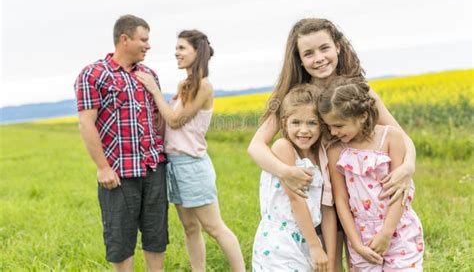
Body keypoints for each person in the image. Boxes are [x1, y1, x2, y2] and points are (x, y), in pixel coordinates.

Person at [247, 18, 418, 270]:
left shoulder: (359, 92)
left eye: (324, 48)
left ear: (337, 46)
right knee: (330, 265)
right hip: (320, 196)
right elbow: (256, 146)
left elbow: (400, 136)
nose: (318, 58)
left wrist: (408, 168)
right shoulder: (295, 97)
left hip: (360, 196)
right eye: (308, 53)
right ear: (299, 59)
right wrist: (286, 172)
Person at [136, 29, 245, 272]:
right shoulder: (183, 85)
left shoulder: (204, 86)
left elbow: (175, 121)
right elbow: (168, 125)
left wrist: (154, 90)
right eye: (176, 48)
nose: (176, 53)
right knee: (190, 227)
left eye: (182, 48)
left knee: (214, 227)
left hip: (192, 165)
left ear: (198, 52)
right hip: (174, 165)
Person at [75, 14, 168, 271]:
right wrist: (102, 167)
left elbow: (159, 118)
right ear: (124, 39)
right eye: (144, 40)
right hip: (118, 173)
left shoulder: (149, 75)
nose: (148, 46)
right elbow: (86, 123)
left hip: (153, 168)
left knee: (156, 236)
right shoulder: (93, 74)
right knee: (120, 240)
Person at [321, 78, 424, 271]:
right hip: (361, 233)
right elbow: (341, 200)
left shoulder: (390, 137)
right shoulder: (336, 151)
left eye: (339, 125)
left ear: (361, 115)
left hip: (397, 229)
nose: (333, 132)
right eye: (329, 127)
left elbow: (400, 190)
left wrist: (387, 232)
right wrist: (356, 244)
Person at [252, 84, 335, 272]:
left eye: (312, 123)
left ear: (322, 125)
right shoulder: (283, 148)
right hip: (281, 239)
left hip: (305, 236)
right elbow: (296, 199)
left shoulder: (318, 156)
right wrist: (315, 246)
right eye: (296, 122)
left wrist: (321, 248)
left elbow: (325, 205)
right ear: (284, 124)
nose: (303, 130)